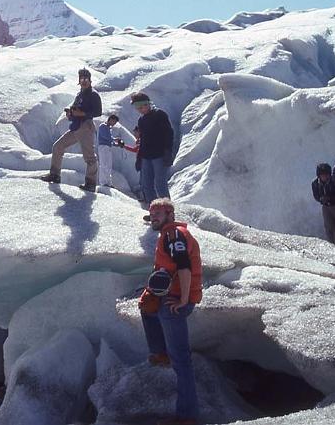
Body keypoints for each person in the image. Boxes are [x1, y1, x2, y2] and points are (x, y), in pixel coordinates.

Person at [139, 198, 202, 425]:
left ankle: (187, 417)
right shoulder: (167, 234)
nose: (153, 217)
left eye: (158, 213)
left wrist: (183, 300)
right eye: (151, 214)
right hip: (171, 295)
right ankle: (161, 353)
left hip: (176, 300)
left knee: (182, 361)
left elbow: (184, 267)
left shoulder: (173, 235)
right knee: (147, 308)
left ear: (170, 213)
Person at [40, 68, 103, 191]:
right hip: (76, 126)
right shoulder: (80, 94)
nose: (84, 81)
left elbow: (98, 112)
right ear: (79, 81)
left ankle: (90, 184)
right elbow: (75, 108)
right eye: (82, 79)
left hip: (85, 127)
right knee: (58, 146)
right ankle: (55, 175)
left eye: (86, 79)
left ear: (90, 81)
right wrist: (71, 113)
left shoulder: (93, 95)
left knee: (89, 157)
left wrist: (82, 113)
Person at [130, 92, 174, 217]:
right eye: (137, 108)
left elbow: (169, 134)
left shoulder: (160, 115)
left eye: (141, 107)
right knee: (146, 185)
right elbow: (143, 140)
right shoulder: (142, 120)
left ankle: (168, 213)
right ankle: (155, 212)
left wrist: (167, 151)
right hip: (146, 156)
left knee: (160, 184)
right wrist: (139, 158)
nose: (140, 110)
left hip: (159, 155)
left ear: (148, 104)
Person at [311, 163, 335, 246]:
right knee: (328, 227)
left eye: (326, 175)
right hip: (326, 207)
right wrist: (321, 199)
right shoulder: (315, 183)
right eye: (323, 175)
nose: (325, 177)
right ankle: (331, 245)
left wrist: (330, 198)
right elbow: (316, 195)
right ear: (319, 175)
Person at [97, 114, 121, 187]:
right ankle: (103, 182)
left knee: (108, 165)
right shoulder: (103, 126)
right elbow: (106, 137)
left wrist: (116, 144)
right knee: (104, 164)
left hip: (107, 147)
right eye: (114, 122)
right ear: (110, 119)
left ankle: (108, 182)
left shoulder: (108, 128)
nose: (114, 124)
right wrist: (115, 139)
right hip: (103, 147)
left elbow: (108, 139)